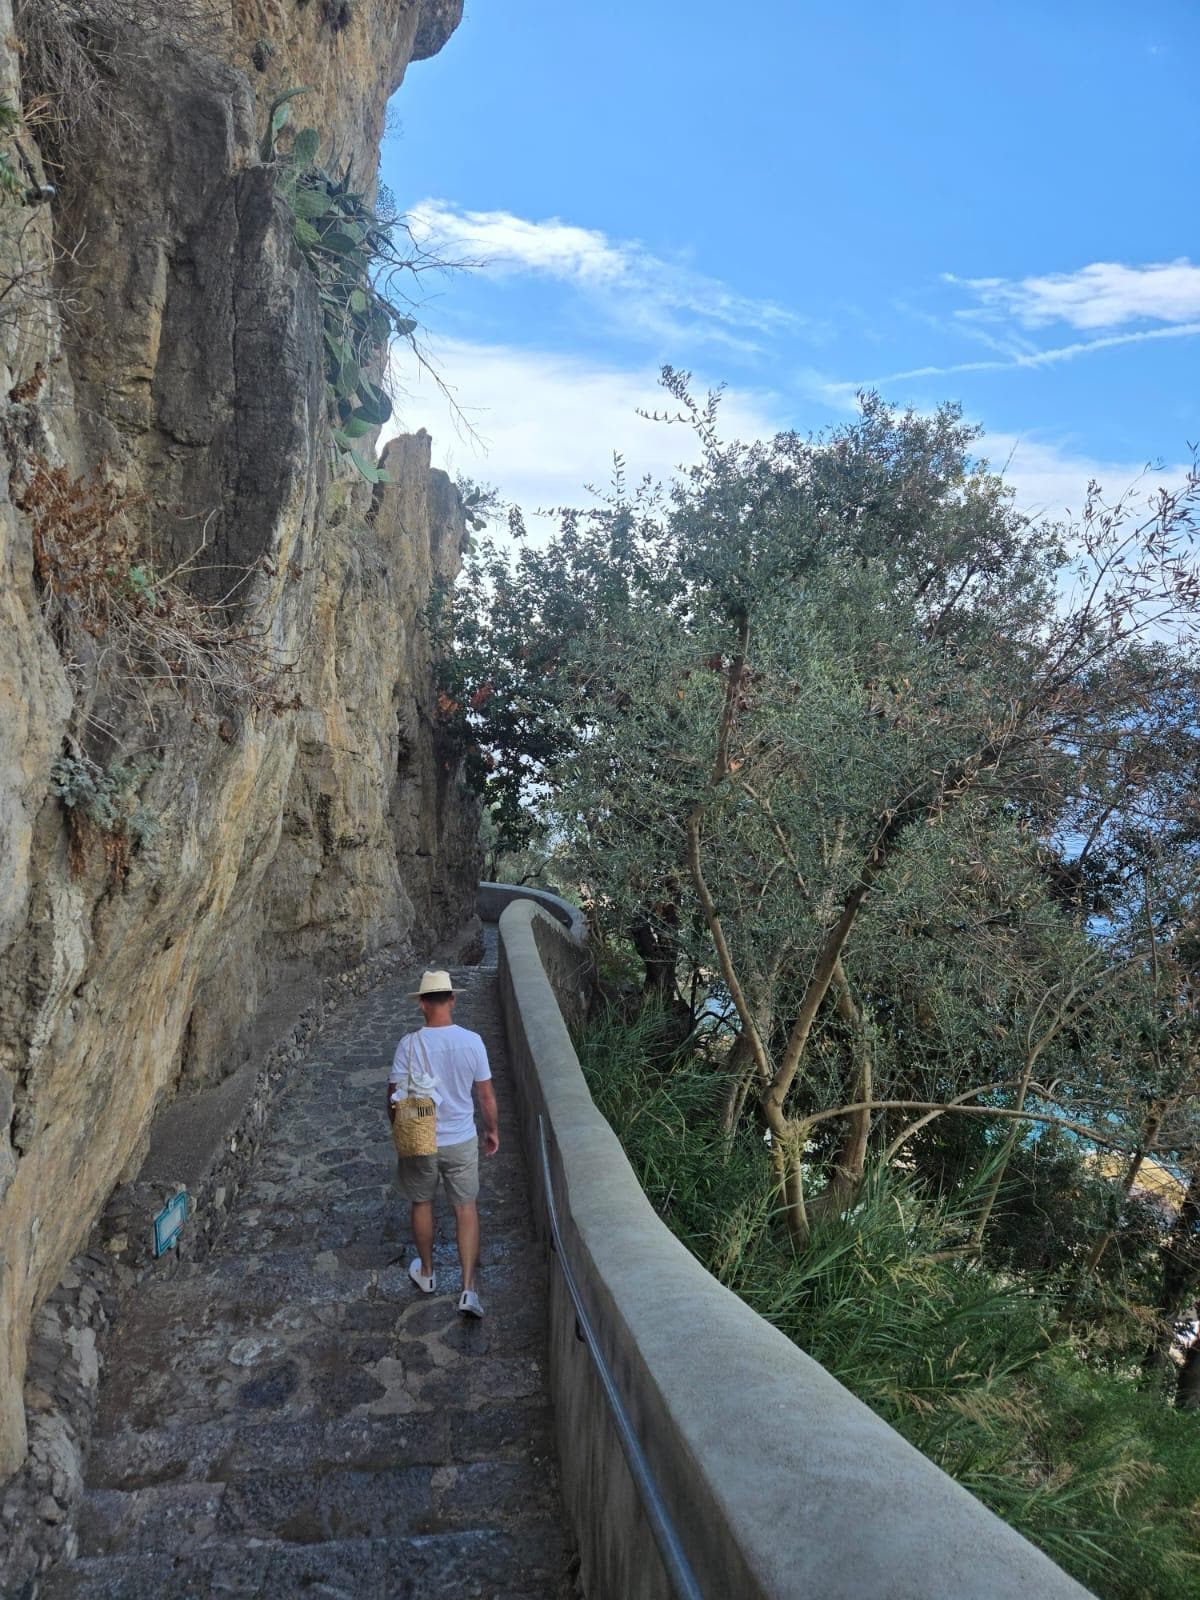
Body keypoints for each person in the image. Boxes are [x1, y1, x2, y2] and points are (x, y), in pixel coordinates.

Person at [386, 969, 499, 1318]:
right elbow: (485, 1095)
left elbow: (392, 1097)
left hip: (421, 1140)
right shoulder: (473, 1041)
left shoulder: (409, 1044)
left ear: (422, 1004)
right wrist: (492, 1130)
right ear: (452, 999)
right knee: (466, 1208)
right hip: (461, 1139)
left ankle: (428, 1273)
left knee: (422, 1202)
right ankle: (468, 1289)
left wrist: (399, 1133)